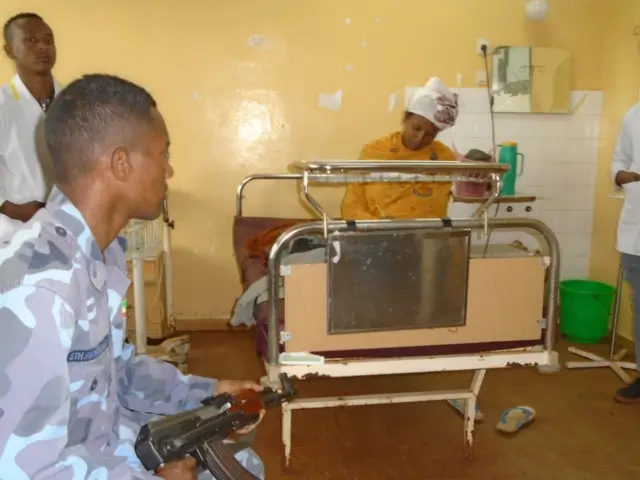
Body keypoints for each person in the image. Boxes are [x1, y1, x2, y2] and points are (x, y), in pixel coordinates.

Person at [0, 74, 266, 479]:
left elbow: (115, 373)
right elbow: (23, 470)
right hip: (64, 465)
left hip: (102, 442)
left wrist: (209, 394)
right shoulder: (40, 288)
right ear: (121, 163)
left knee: (241, 465)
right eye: (163, 153)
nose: (170, 170)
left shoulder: (95, 254)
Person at [341, 77, 459, 220]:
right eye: (416, 128)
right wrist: (378, 227)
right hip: (379, 236)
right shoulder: (376, 151)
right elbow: (352, 206)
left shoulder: (444, 157)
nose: (419, 138)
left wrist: (483, 176)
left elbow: (472, 187)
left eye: (429, 134)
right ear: (405, 119)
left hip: (428, 237)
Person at [0, 12, 61, 236]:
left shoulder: (73, 103)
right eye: (31, 40)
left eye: (48, 40)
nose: (43, 47)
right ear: (9, 50)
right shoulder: (3, 104)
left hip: (68, 231)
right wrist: (9, 207)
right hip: (13, 235)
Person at [611, 103, 640, 404]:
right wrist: (621, 176)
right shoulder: (634, 114)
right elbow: (620, 157)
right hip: (636, 228)